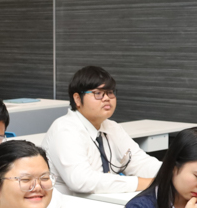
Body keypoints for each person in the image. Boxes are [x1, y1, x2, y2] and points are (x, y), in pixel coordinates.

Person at [42, 65, 161, 195]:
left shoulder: (112, 127)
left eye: (110, 92)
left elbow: (139, 162)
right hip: (70, 202)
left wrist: (170, 174)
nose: (106, 98)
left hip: (103, 199)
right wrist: (145, 183)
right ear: (77, 99)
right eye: (98, 93)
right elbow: (82, 181)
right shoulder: (65, 129)